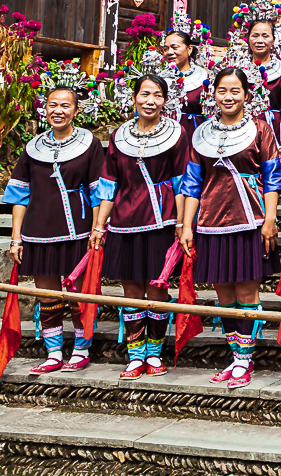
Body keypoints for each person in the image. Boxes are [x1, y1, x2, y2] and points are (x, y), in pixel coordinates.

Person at [177, 67, 281, 390]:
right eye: (222, 91)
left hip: (250, 219)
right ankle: (235, 356)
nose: (228, 97)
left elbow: (273, 176)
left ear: (247, 95)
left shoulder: (260, 130)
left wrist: (270, 219)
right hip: (211, 223)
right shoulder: (201, 135)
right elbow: (192, 183)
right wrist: (186, 225)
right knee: (223, 294)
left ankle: (246, 358)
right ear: (213, 95)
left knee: (246, 293)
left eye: (235, 91)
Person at [3, 78, 104, 374]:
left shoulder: (90, 144)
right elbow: (20, 195)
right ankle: (53, 352)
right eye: (52, 105)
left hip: (78, 229)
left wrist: (98, 227)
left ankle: (81, 349)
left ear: (75, 111)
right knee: (47, 295)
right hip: (38, 229)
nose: (57, 111)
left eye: (65, 106)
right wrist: (16, 238)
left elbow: (99, 189)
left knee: (76, 294)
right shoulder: (33, 147)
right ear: (43, 109)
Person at [91, 73, 189, 379]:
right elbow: (109, 183)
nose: (150, 101)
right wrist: (98, 224)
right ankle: (135, 355)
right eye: (145, 94)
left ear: (166, 100)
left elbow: (184, 181)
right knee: (131, 290)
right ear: (134, 97)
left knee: (157, 289)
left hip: (161, 220)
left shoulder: (177, 133)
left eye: (158, 95)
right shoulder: (119, 136)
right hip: (124, 221)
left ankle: (154, 353)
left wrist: (183, 221)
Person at [241, 3, 281, 160]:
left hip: (272, 129)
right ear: (248, 39)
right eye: (255, 35)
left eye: (265, 36)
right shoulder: (238, 69)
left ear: (273, 40)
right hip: (241, 128)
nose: (259, 40)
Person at [162, 24, 209, 131]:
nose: (169, 52)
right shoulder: (159, 79)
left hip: (193, 135)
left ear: (189, 49)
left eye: (175, 47)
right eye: (165, 49)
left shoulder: (204, 80)